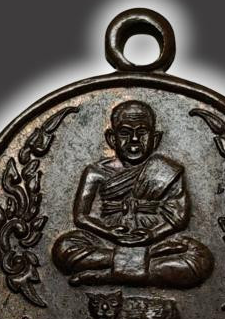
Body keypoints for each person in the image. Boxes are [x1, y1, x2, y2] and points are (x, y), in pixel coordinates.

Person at [52, 100, 213, 287]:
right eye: (125, 132)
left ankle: (106, 275)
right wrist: (109, 232)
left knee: (201, 259)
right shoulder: (95, 172)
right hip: (108, 241)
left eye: (142, 132)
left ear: (155, 139)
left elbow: (179, 218)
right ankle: (142, 269)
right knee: (64, 248)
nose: (134, 139)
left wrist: (152, 234)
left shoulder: (168, 170)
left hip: (155, 244)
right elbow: (81, 216)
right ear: (111, 138)